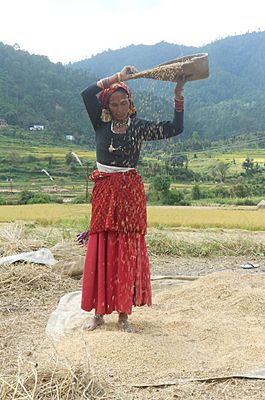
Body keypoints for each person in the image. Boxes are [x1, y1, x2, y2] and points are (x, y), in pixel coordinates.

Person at [80, 66, 185, 332]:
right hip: (105, 191)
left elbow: (175, 128)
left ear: (131, 103)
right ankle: (99, 312)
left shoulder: (138, 127)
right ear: (108, 106)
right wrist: (117, 78)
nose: (120, 107)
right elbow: (86, 93)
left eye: (124, 102)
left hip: (129, 193)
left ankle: (124, 313)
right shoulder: (100, 124)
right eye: (114, 103)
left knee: (126, 248)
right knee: (102, 245)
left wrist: (178, 95)